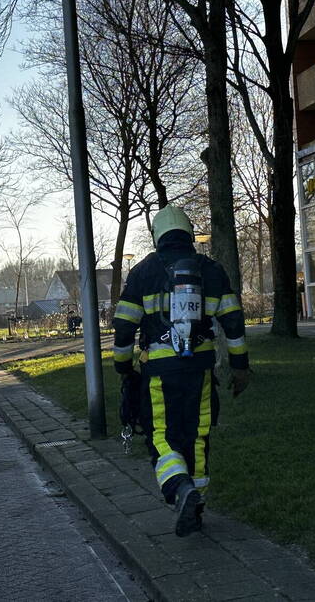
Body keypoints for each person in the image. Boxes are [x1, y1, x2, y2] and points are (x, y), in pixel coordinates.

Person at [112, 206, 250, 537]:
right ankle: (197, 503)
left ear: (157, 235)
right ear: (189, 234)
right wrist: (240, 366)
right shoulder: (211, 270)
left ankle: (179, 488)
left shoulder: (143, 271)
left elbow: (123, 325)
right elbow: (232, 320)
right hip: (199, 371)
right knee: (197, 433)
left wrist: (122, 365)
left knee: (160, 434)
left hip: (158, 372)